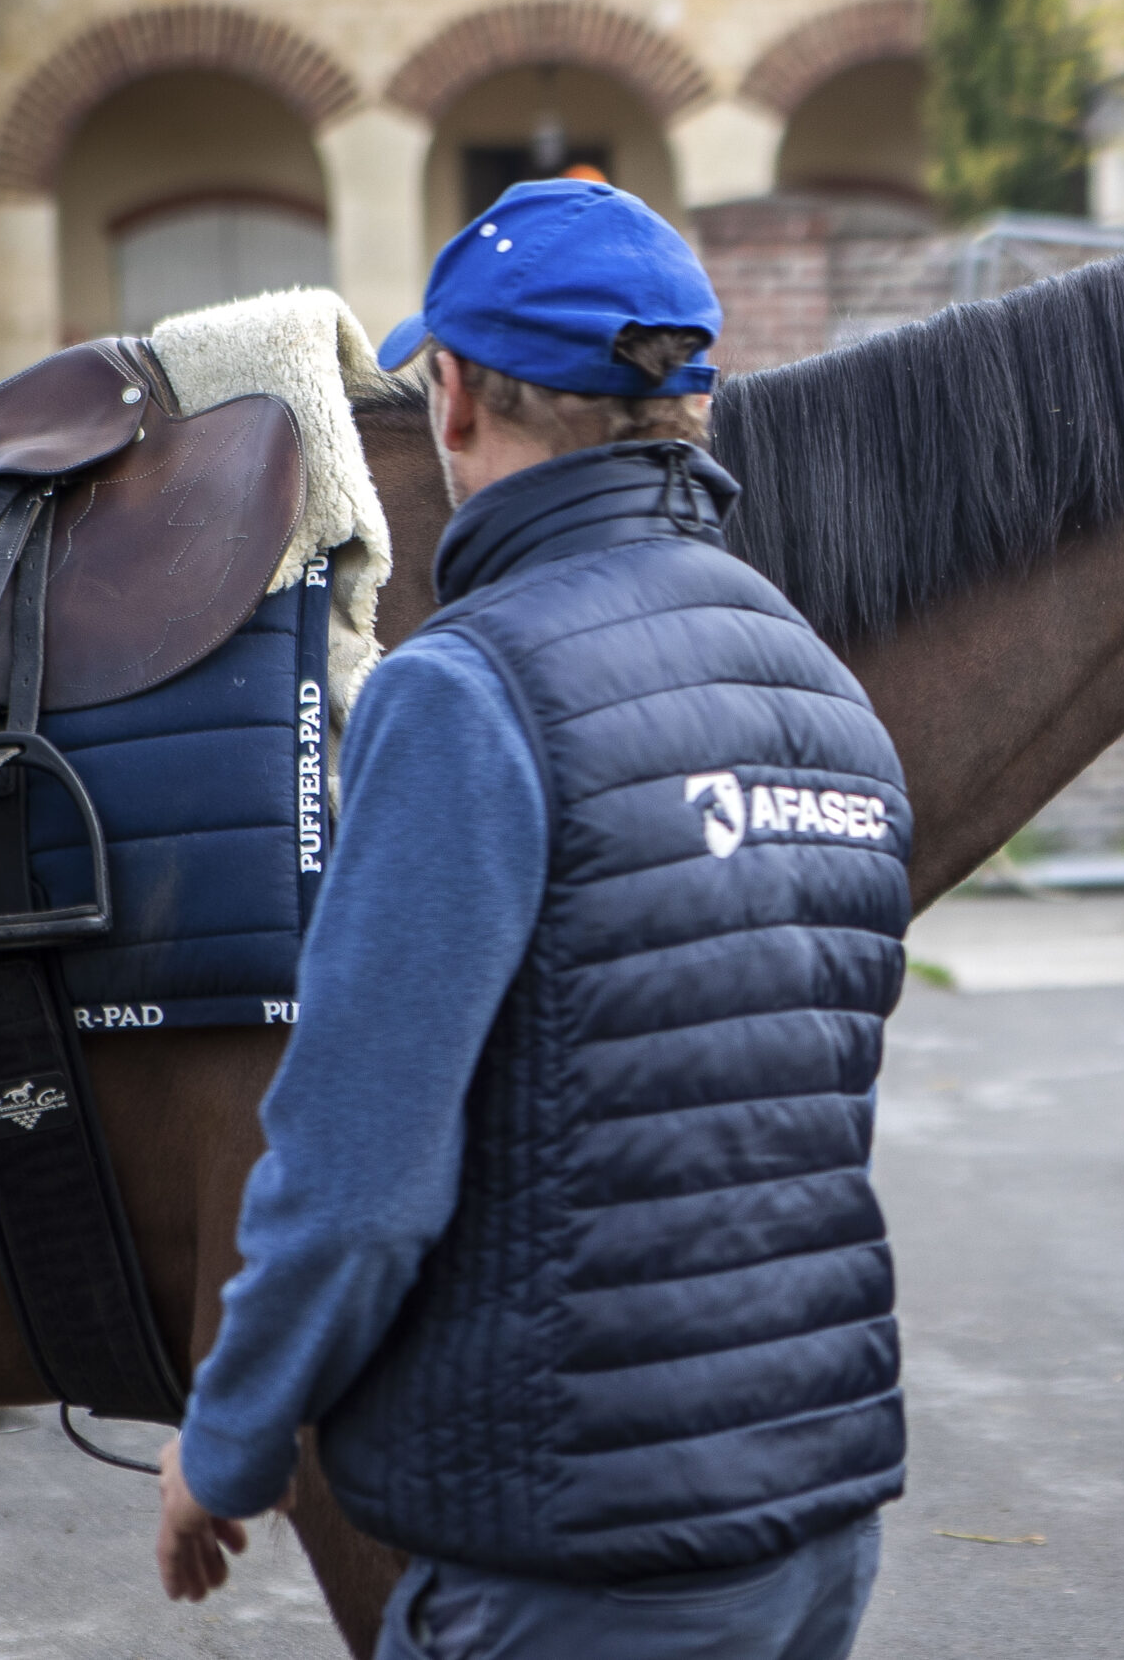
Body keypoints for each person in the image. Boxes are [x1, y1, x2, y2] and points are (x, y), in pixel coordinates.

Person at [149, 177, 912, 1660]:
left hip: (578, 1561)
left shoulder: (467, 692)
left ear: (451, 401)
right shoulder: (823, 691)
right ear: (690, 399)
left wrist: (227, 1443)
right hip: (816, 1528)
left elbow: (355, 1180)